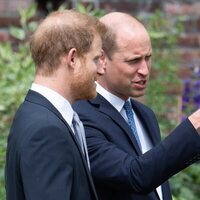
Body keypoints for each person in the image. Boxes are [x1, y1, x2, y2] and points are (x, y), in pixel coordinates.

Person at [73, 12, 200, 200]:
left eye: (148, 57)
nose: (145, 70)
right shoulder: (81, 116)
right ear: (101, 60)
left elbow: (157, 177)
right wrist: (195, 125)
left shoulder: (144, 115)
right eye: (133, 61)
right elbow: (134, 176)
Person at [5, 9, 107, 200]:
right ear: (73, 58)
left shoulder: (36, 114)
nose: (102, 69)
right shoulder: (46, 131)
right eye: (95, 59)